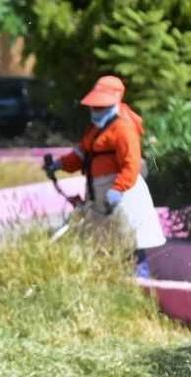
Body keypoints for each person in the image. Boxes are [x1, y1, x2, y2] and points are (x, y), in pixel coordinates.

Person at [44, 75, 166, 277]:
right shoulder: (96, 129)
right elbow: (81, 155)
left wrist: (117, 190)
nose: (96, 111)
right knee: (105, 244)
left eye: (101, 107)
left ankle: (140, 287)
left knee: (131, 246)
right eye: (95, 107)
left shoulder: (124, 128)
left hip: (123, 196)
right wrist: (60, 164)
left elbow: (131, 164)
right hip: (100, 196)